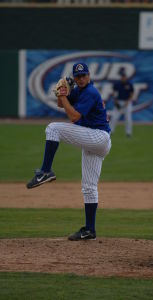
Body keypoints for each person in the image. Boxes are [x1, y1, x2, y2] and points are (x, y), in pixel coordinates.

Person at [26, 62, 111, 241]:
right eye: (77, 76)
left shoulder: (90, 92)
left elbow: (74, 116)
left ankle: (45, 171)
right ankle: (89, 230)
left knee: (53, 128)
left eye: (83, 75)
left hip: (98, 137)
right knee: (89, 187)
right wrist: (61, 94)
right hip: (93, 140)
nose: (80, 79)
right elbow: (60, 105)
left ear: (89, 76)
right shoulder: (79, 90)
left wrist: (64, 96)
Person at [110, 67, 134, 137]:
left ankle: (128, 133)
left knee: (128, 118)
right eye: (122, 77)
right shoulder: (117, 84)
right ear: (121, 77)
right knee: (114, 117)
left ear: (126, 77)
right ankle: (111, 131)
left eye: (124, 77)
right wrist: (115, 101)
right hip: (119, 102)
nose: (123, 78)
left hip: (127, 102)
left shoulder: (129, 84)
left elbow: (132, 94)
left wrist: (128, 101)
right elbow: (114, 93)